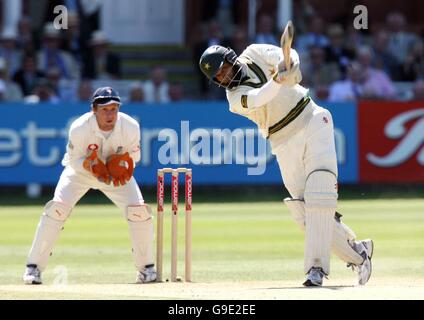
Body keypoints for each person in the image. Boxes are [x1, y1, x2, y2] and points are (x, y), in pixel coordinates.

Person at [198, 43, 373, 287]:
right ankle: (358, 253)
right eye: (218, 76)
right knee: (304, 212)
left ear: (232, 58)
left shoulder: (254, 53)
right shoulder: (234, 99)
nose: (224, 76)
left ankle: (316, 270)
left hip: (312, 118)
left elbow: (287, 55)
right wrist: (278, 79)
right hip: (281, 140)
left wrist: (288, 66)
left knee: (320, 194)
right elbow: (260, 97)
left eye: (224, 69)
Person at [23, 87, 157, 285]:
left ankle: (146, 269)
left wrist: (117, 165)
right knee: (56, 210)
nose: (110, 114)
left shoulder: (130, 126)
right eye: (105, 110)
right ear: (94, 110)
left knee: (139, 213)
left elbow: (134, 157)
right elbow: (74, 160)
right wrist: (91, 166)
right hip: (81, 174)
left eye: (114, 109)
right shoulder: (79, 127)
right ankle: (33, 268)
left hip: (114, 176)